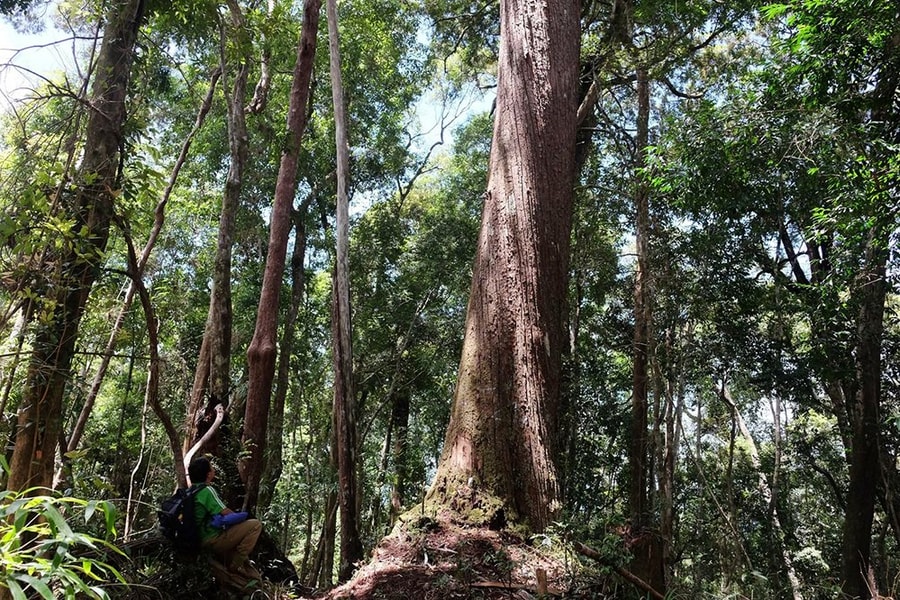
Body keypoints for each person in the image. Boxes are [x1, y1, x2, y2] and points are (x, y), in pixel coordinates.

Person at [187, 456, 262, 584]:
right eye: (211, 467)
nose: (213, 469)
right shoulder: (207, 490)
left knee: (250, 572)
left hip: (198, 540)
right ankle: (235, 566)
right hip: (213, 539)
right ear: (208, 474)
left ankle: (256, 583)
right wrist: (240, 519)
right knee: (255, 525)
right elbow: (226, 512)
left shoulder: (190, 491)